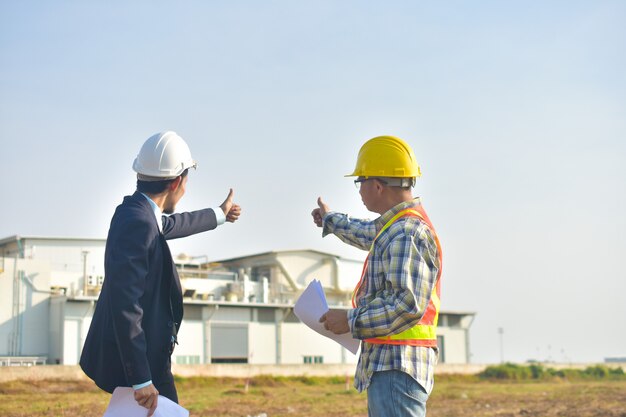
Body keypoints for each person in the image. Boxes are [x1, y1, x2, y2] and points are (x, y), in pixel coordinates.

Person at [80, 131, 241, 416]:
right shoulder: (138, 222)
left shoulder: (137, 212)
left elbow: (167, 225)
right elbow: (125, 305)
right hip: (139, 362)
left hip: (144, 357)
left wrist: (219, 214)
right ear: (177, 181)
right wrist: (141, 379)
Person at [312, 135, 442, 417]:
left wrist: (349, 320)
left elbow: (407, 305)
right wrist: (331, 220)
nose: (358, 189)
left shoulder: (406, 233)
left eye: (360, 181)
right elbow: (369, 233)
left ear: (378, 186)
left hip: (397, 364)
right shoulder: (396, 228)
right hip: (392, 364)